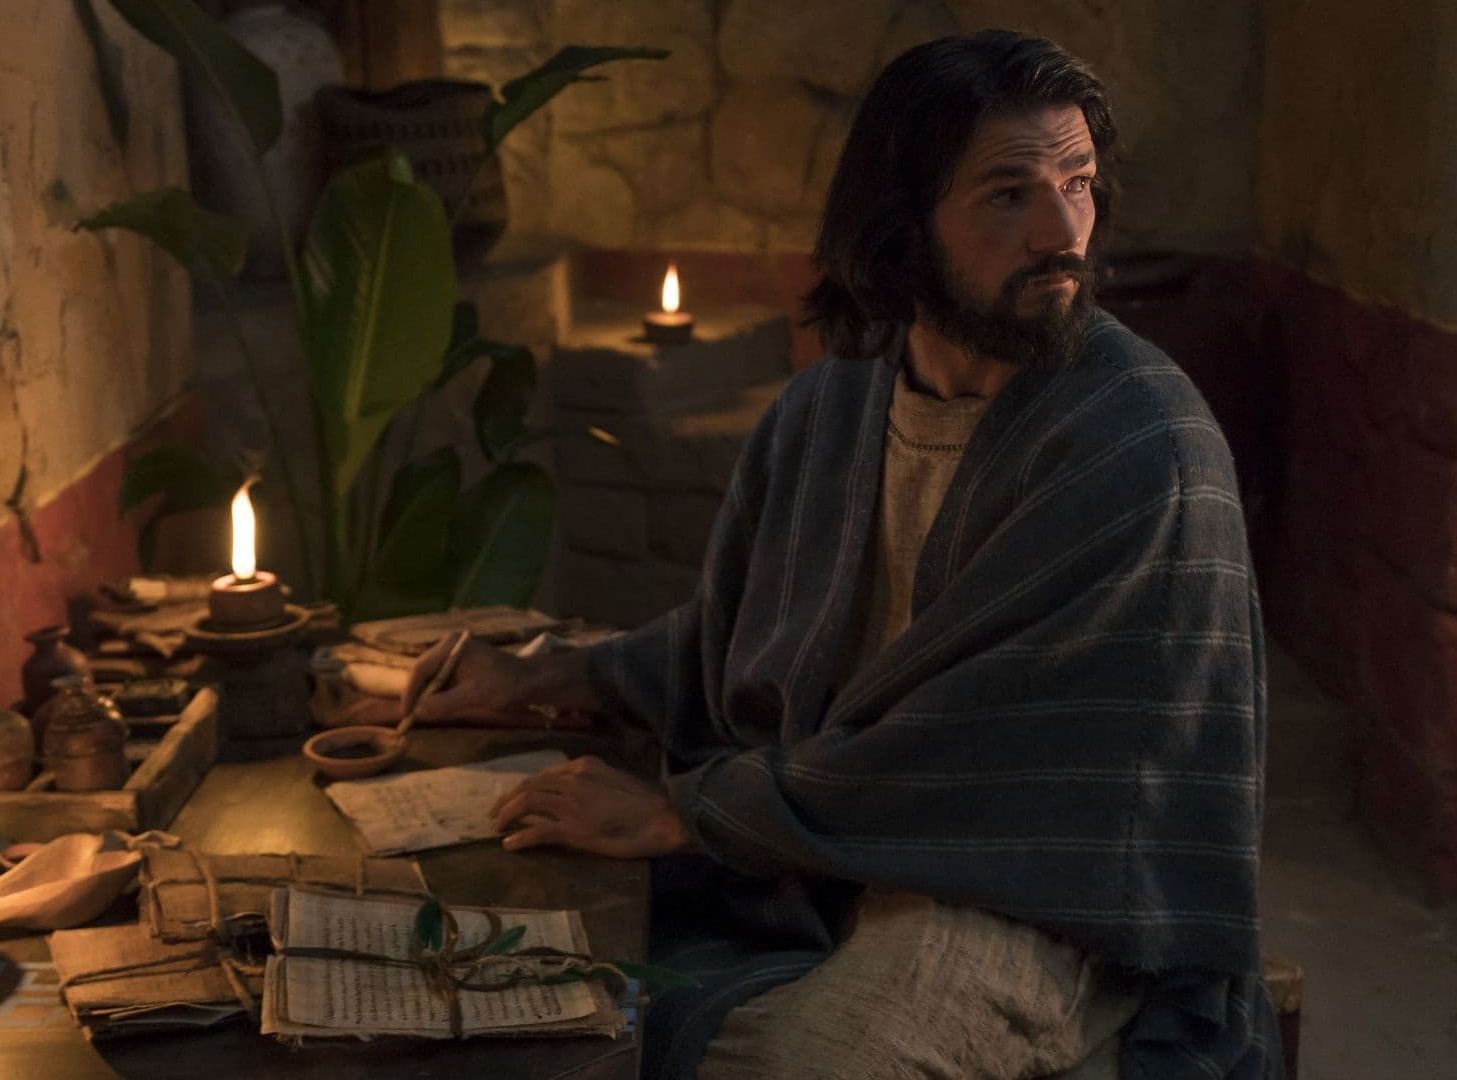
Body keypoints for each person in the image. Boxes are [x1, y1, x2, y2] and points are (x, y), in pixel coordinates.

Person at [400, 29, 1279, 1080]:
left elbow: (999, 765)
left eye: (1078, 182)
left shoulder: (1140, 448)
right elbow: (743, 633)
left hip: (1025, 888)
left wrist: (686, 812)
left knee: (802, 1065)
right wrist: (550, 673)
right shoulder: (830, 406)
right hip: (814, 857)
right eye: (1009, 195)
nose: (1062, 231)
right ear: (904, 232)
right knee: (515, 988)